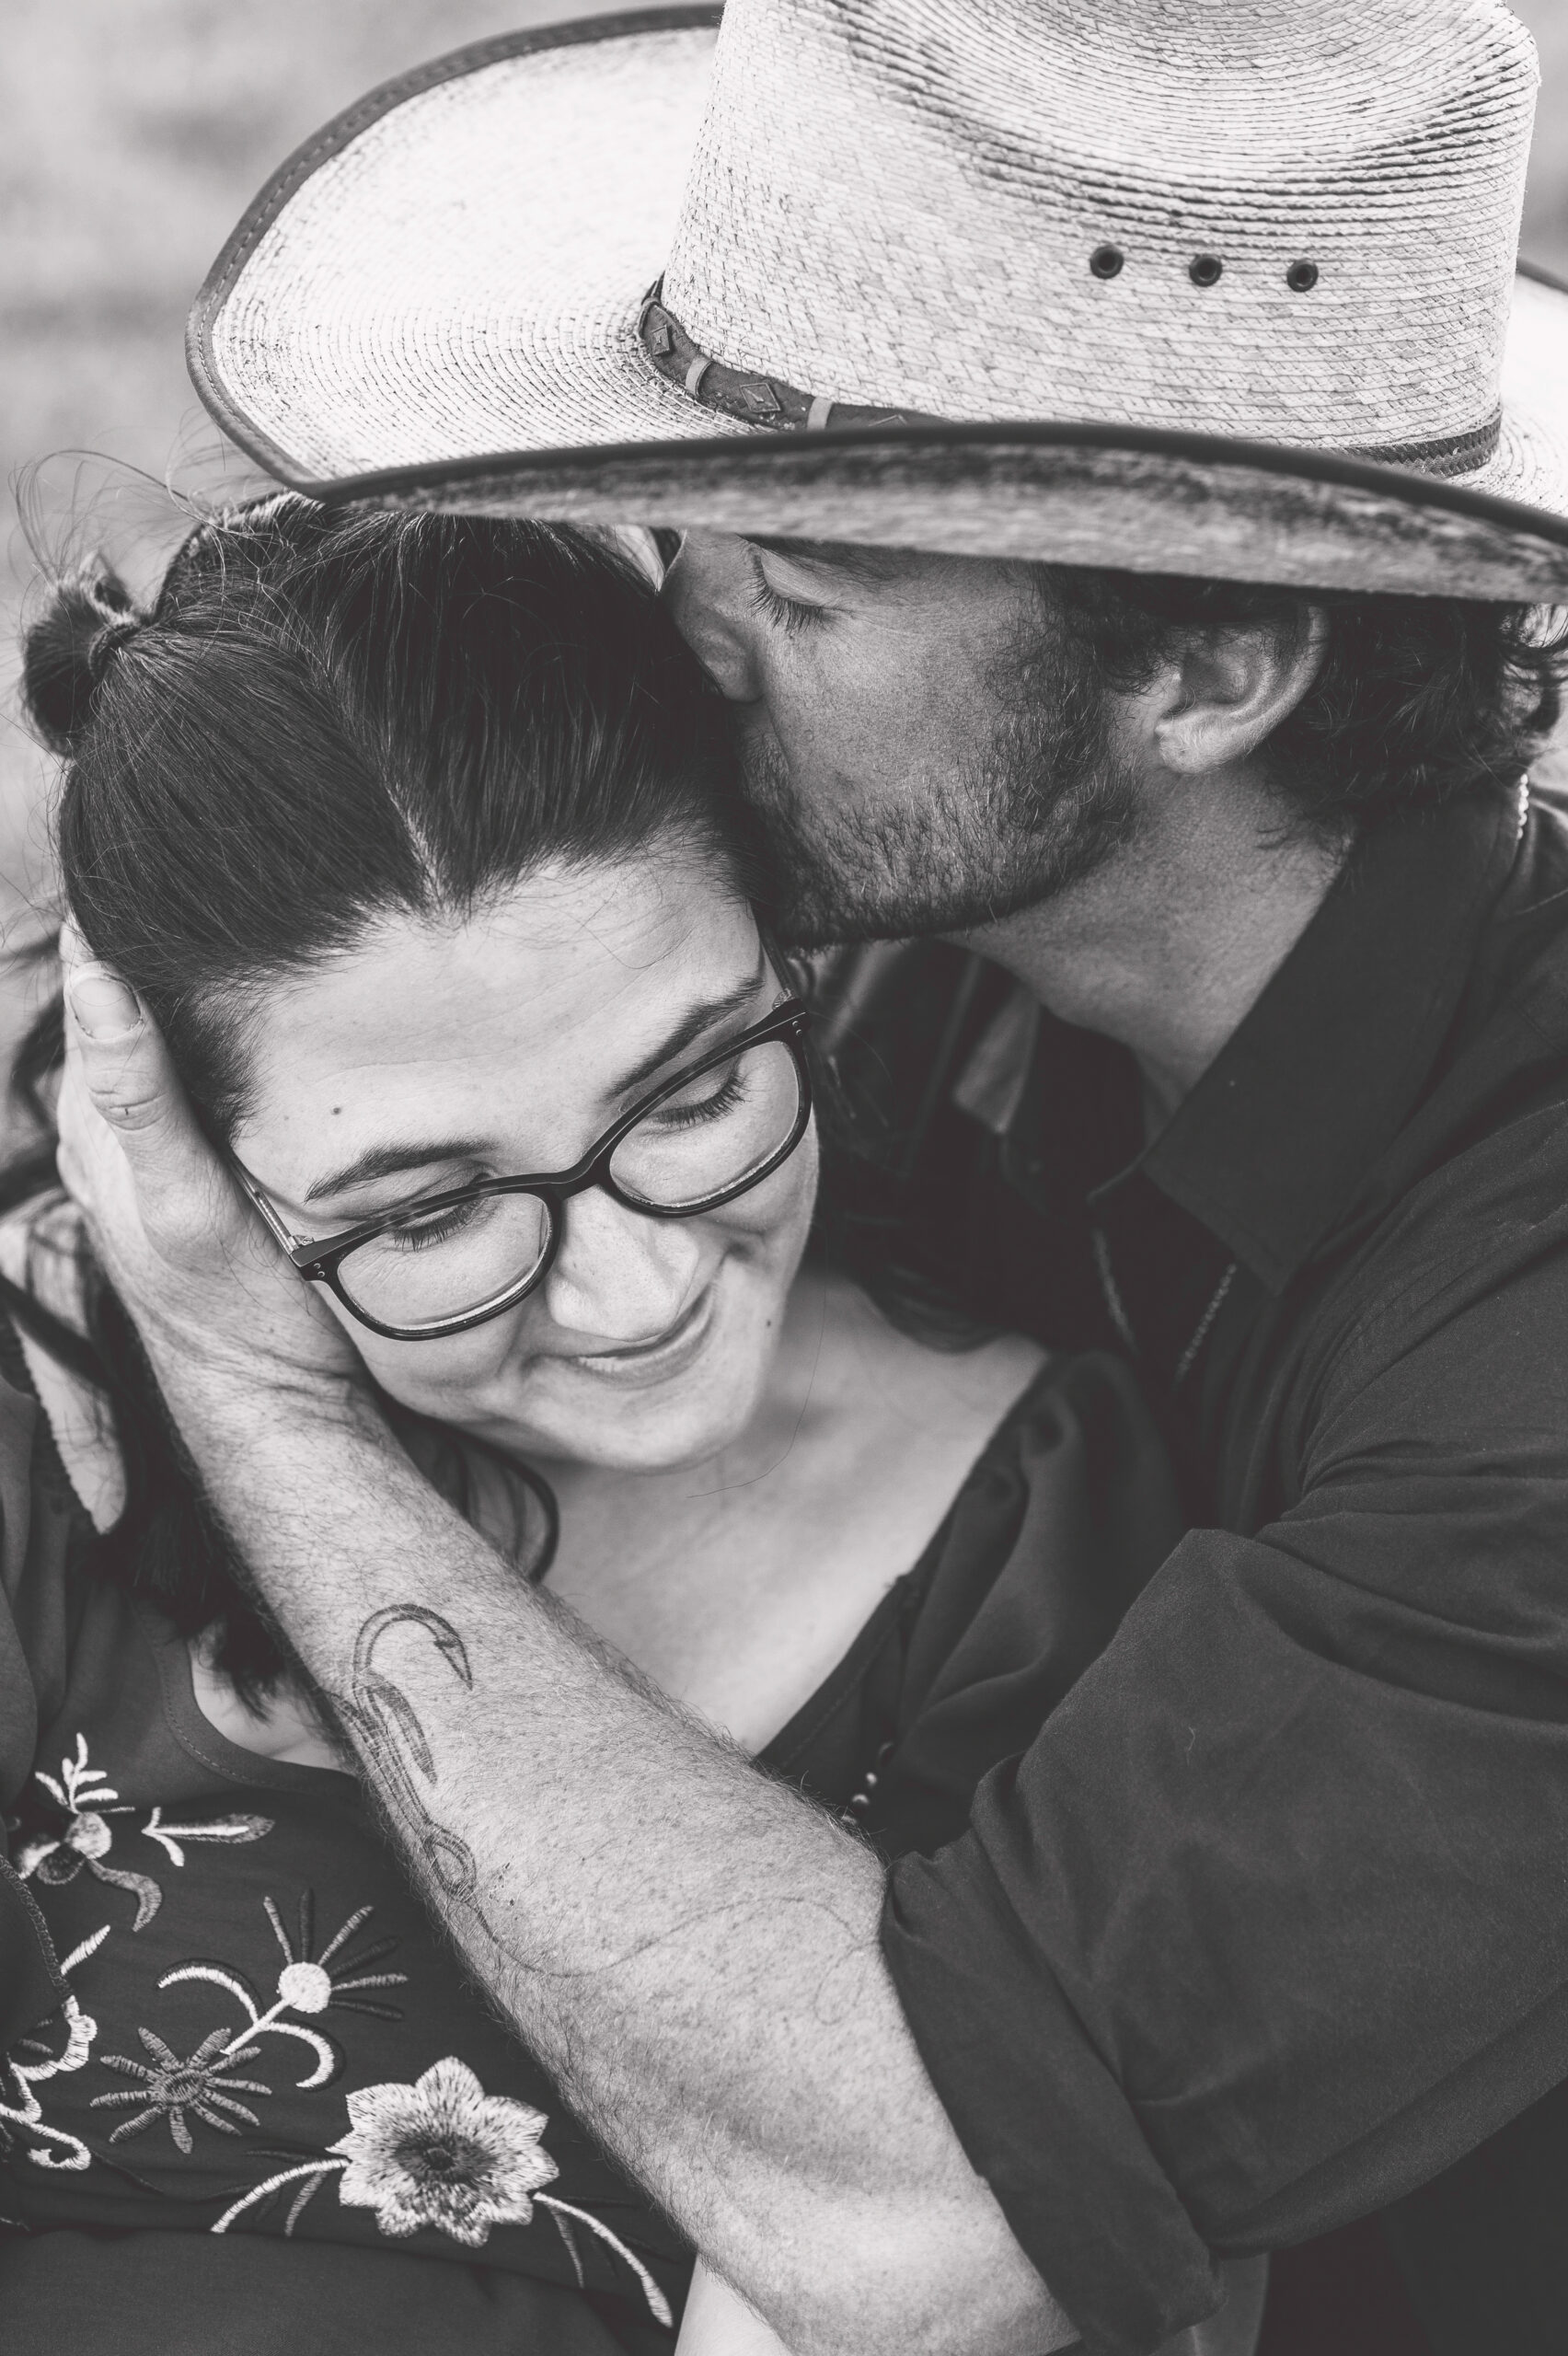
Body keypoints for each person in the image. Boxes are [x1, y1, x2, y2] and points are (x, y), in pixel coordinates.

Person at [47, 1, 1568, 2353]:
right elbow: (375, 958)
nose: (693, 624)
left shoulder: (1530, 1363)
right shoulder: (935, 921)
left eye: (814, 585)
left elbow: (945, 2214)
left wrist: (262, 1398)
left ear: (1212, 666)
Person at [0, 497, 1218, 2353]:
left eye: (701, 1081)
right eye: (429, 1212)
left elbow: (914, 2261)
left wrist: (270, 1393)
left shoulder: (1042, 1546)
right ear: (182, 1157)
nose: (636, 1290)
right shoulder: (47, 1428)